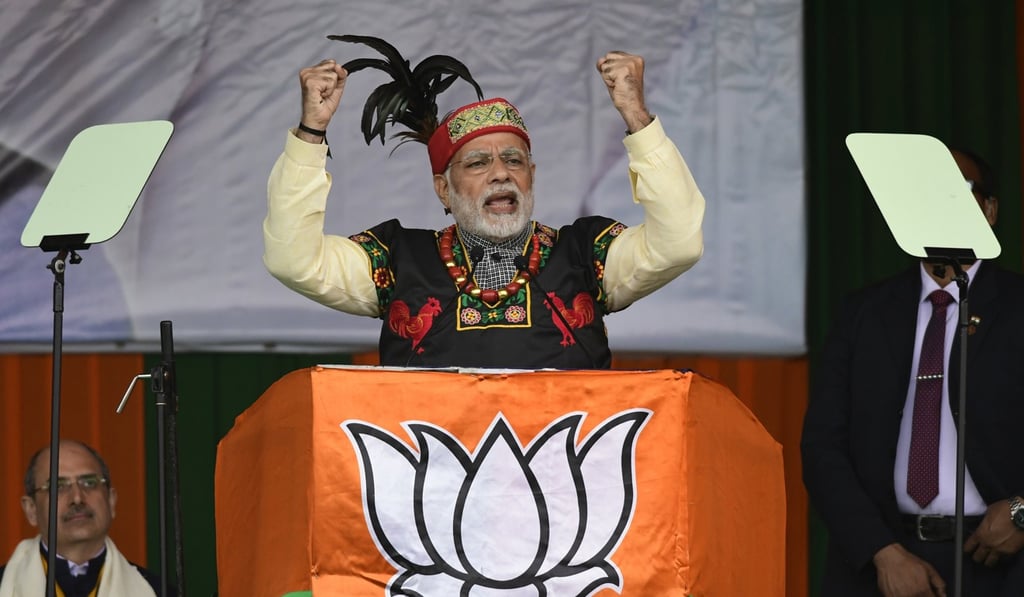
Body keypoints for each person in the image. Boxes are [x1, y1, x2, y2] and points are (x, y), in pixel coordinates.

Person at [263, 50, 705, 369]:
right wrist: (310, 133)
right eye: (477, 163)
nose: (500, 173)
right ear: (443, 189)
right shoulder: (399, 259)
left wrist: (638, 119)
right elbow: (294, 260)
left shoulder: (584, 254)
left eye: (513, 160)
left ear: (531, 175)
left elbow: (678, 244)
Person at [801, 148, 1024, 596]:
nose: (940, 203)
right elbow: (823, 446)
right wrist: (882, 551)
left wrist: (1022, 511)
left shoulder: (1018, 306)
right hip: (883, 564)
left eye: (957, 191)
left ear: (990, 210)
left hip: (999, 563)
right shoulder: (863, 312)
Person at [0, 440, 169, 597]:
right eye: (58, 486)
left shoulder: (156, 591)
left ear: (111, 501)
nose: (77, 498)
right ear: (32, 510)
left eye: (89, 482)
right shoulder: (6, 586)